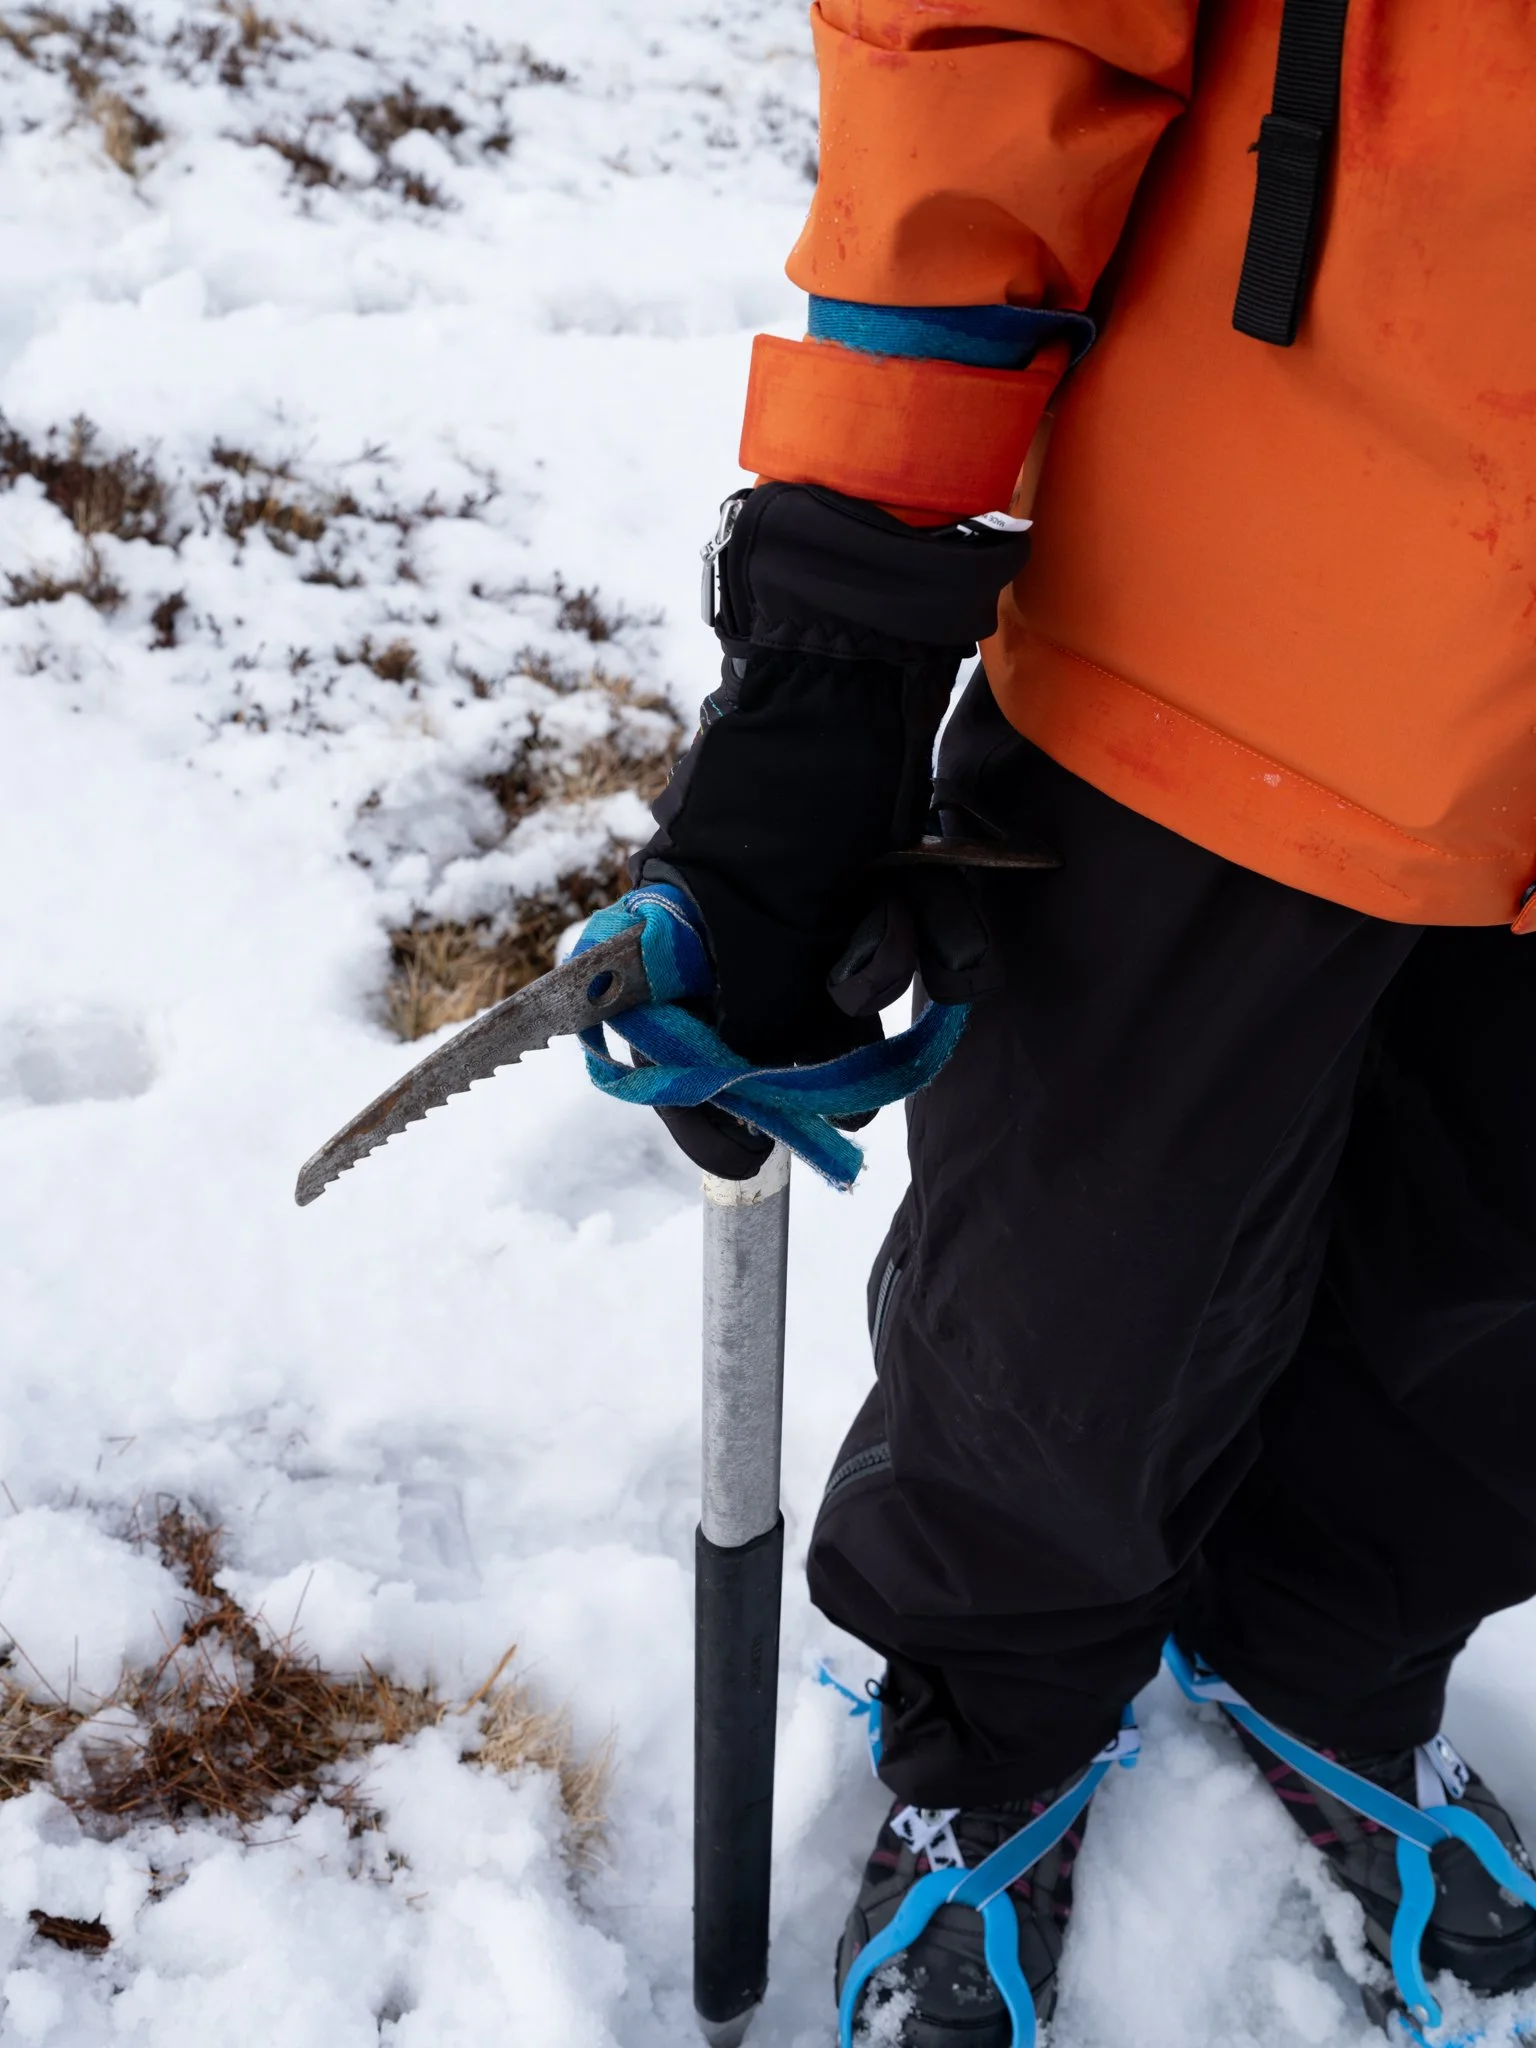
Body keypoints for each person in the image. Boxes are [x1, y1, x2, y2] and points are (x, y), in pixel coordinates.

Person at [641, 2, 1536, 2039]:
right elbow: (992, 35)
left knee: (1498, 1278)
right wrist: (845, 612)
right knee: (1085, 1281)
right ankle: (995, 1732)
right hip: (1257, 583)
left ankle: (1337, 1657)